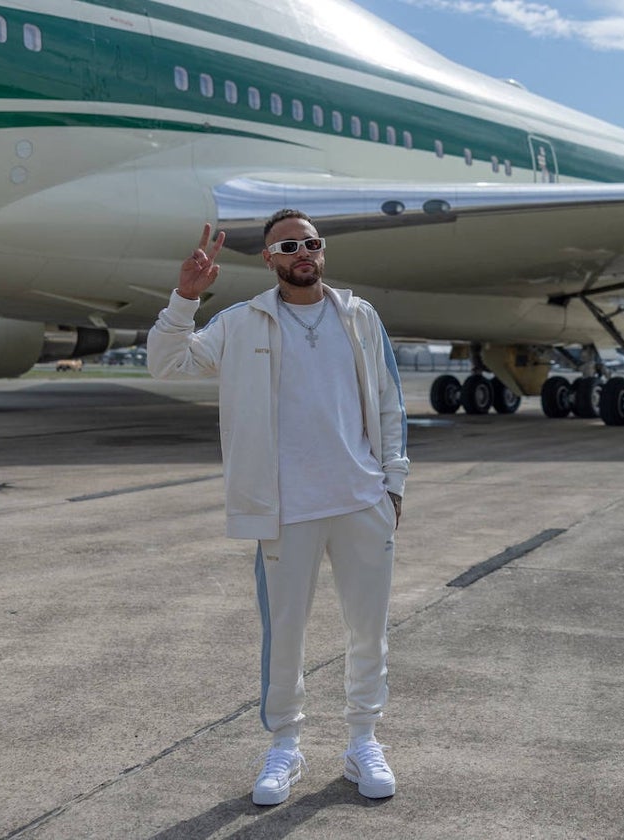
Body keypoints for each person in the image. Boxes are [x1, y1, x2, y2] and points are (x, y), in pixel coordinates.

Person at [147, 209, 409, 805]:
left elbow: (390, 402)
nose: (302, 252)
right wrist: (184, 300)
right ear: (268, 259)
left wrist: (393, 485)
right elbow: (168, 361)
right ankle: (285, 746)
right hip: (285, 512)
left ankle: (363, 741)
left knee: (369, 632)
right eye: (288, 245)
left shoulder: (360, 316)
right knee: (284, 636)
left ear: (322, 251)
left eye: (310, 243)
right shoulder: (241, 322)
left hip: (362, 502)